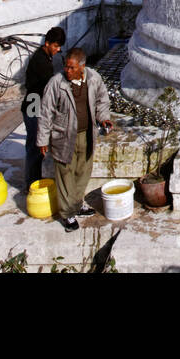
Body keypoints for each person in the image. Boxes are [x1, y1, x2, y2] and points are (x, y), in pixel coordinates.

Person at [37, 47, 112, 232]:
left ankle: (77, 205)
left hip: (86, 134)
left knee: (83, 171)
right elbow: (46, 112)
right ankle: (67, 213)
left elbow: (102, 99)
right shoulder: (56, 83)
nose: (67, 71)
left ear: (82, 67)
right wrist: (43, 139)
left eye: (71, 68)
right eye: (66, 67)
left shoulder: (93, 79)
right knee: (65, 174)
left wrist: (103, 117)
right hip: (63, 135)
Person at [21, 26, 66, 188]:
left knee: (37, 143)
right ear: (47, 43)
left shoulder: (44, 57)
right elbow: (49, 89)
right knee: (35, 145)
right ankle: (31, 183)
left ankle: (35, 178)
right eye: (55, 46)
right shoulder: (41, 62)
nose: (57, 50)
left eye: (59, 47)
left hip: (35, 103)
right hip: (33, 106)